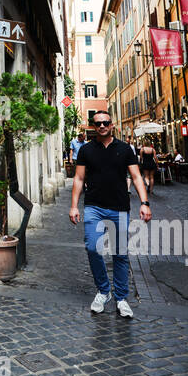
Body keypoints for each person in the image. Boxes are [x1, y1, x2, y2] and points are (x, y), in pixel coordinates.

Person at [69, 112, 152, 317]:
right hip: (94, 206)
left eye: (106, 123)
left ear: (112, 125)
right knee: (92, 247)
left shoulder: (125, 149)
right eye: (98, 124)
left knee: (120, 254)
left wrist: (144, 202)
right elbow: (79, 179)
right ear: (93, 127)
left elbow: (136, 176)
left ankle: (121, 298)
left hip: (119, 207)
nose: (102, 126)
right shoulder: (86, 150)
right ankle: (104, 290)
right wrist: (73, 206)